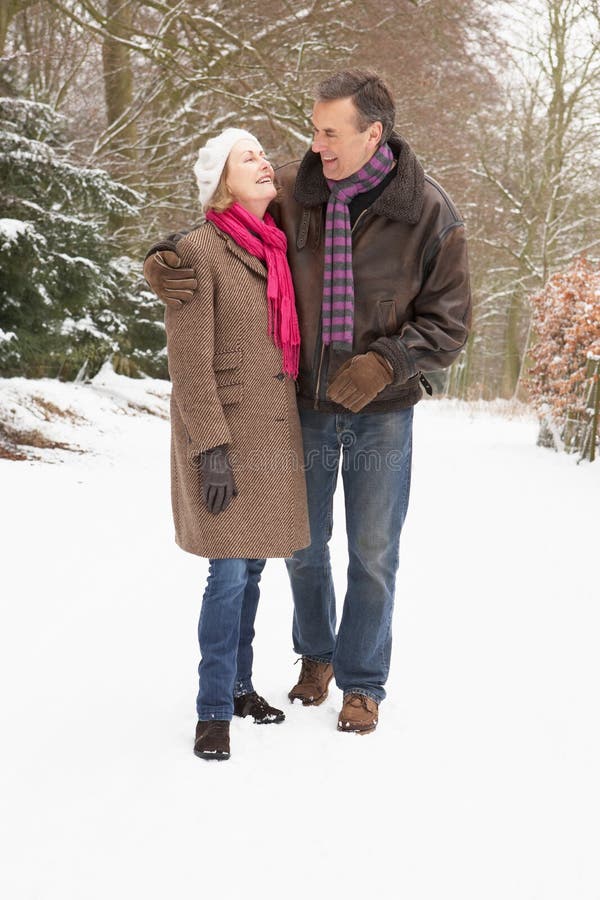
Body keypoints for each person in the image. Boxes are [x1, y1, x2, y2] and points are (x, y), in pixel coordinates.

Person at [145, 69, 471, 737]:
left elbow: (451, 321)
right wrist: (166, 260)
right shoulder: (298, 191)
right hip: (306, 407)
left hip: (383, 414)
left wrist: (386, 363)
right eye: (313, 127)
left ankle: (363, 683)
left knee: (374, 550)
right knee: (304, 544)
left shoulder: (429, 212)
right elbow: (227, 222)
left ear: (371, 133)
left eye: (329, 131)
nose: (314, 143)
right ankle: (316, 655)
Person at [162, 127, 310, 760]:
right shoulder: (198, 252)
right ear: (221, 182)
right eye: (247, 157)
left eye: (264, 155)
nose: (264, 163)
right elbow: (188, 362)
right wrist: (210, 448)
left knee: (251, 569)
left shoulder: (274, 247)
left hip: (271, 432)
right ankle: (213, 707)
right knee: (226, 574)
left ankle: (242, 686)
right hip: (223, 433)